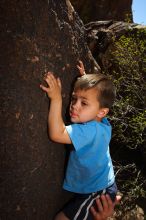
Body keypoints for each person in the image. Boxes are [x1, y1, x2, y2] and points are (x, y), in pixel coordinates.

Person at [40, 61, 118, 220]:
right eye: (74, 98)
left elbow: (57, 133)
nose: (75, 106)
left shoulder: (89, 131)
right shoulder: (100, 121)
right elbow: (97, 101)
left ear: (101, 112)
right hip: (103, 185)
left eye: (84, 103)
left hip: (97, 193)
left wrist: (56, 98)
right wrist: (85, 78)